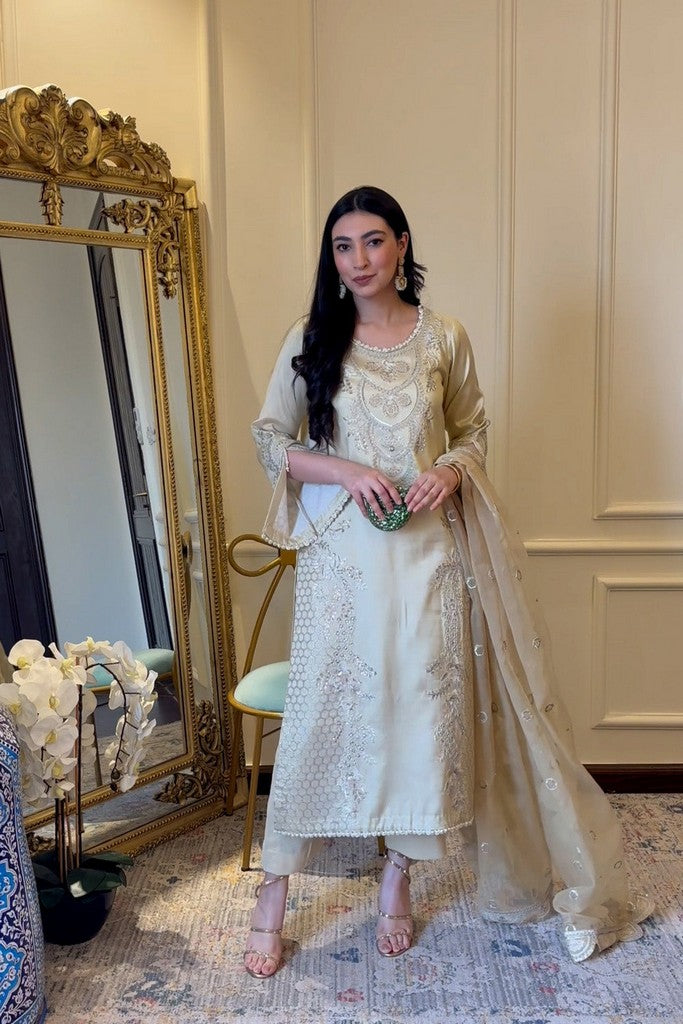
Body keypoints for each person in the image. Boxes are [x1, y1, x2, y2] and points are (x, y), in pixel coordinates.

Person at [246, 186, 652, 979]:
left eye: (372, 241)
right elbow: (270, 440)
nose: (357, 260)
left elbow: (472, 431)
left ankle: (397, 876)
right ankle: (273, 891)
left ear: (401, 244)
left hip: (431, 556)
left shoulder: (444, 337)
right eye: (341, 246)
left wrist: (450, 471)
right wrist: (346, 470)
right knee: (322, 723)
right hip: (343, 564)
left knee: (419, 719)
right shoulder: (311, 337)